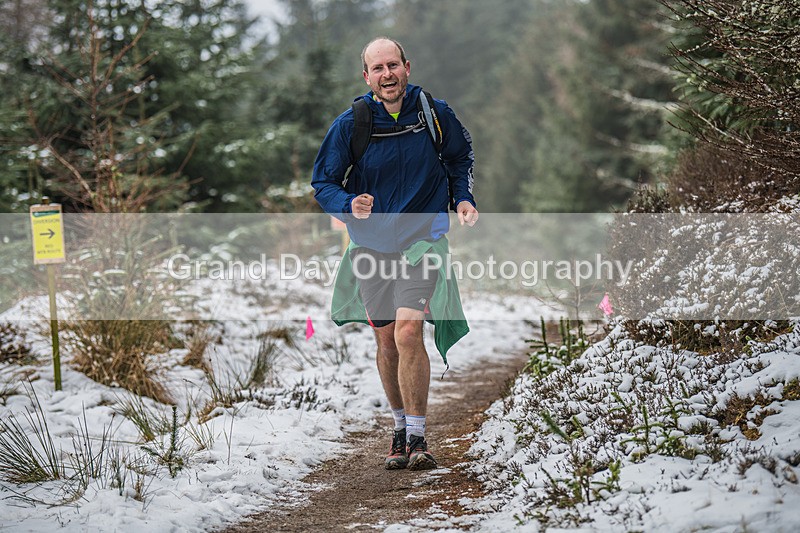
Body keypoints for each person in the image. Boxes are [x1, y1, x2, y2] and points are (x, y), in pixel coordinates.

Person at [311, 37, 479, 471]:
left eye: (393, 65)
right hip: (371, 247)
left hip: (422, 241)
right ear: (366, 76)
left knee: (407, 332)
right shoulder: (351, 124)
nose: (387, 74)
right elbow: (323, 182)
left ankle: (419, 436)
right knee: (386, 340)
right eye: (378, 68)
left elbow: (460, 159)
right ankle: (400, 427)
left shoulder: (434, 114)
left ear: (407, 67)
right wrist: (348, 203)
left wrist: (462, 198)